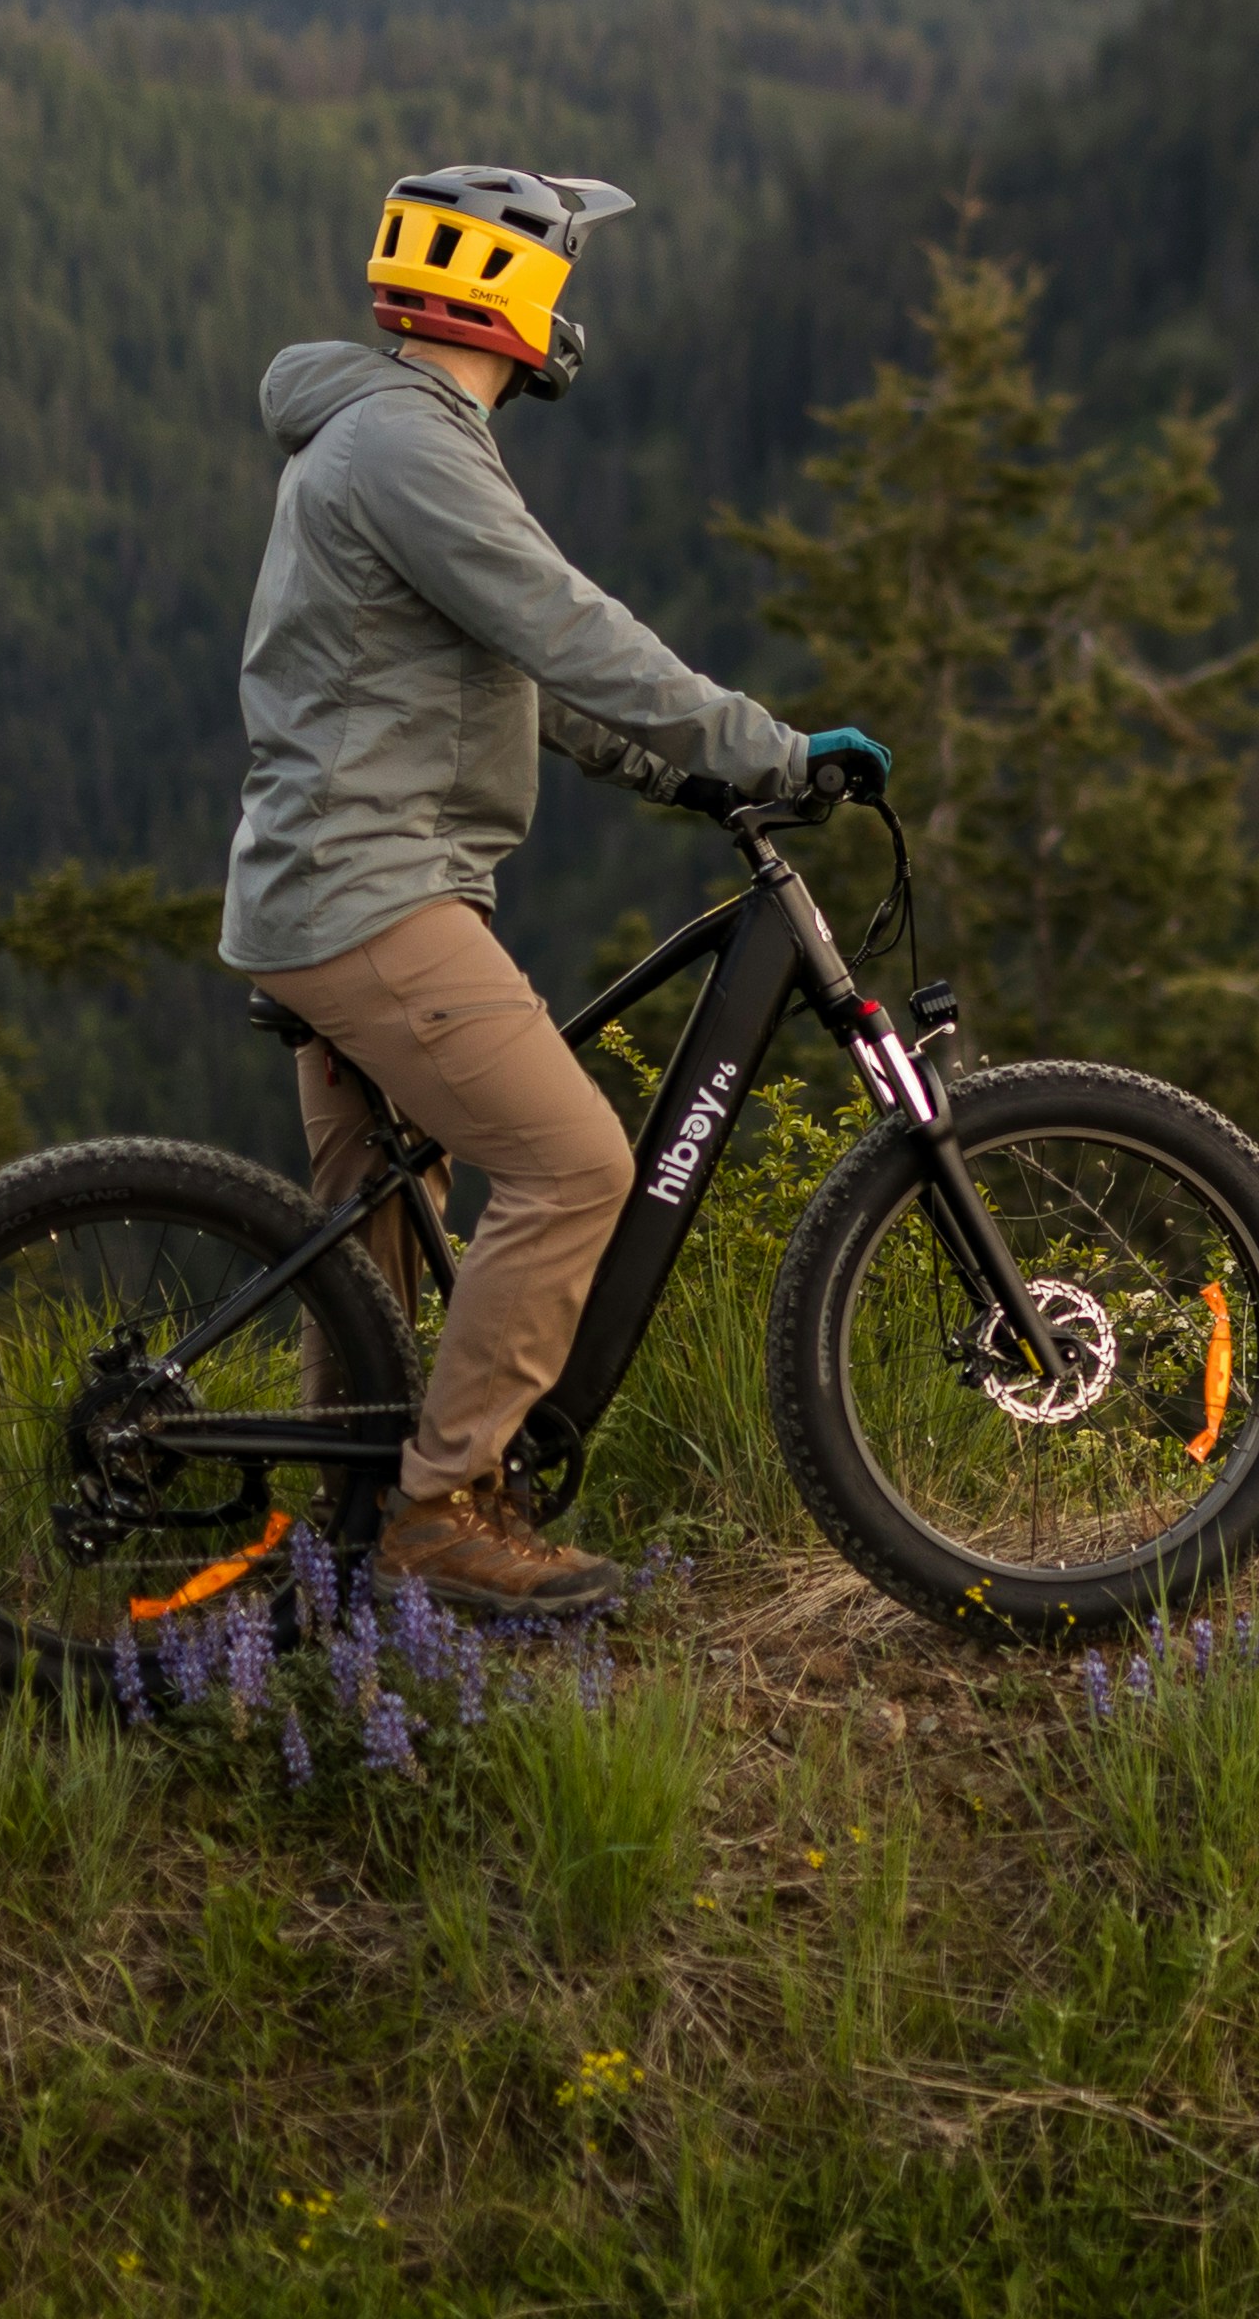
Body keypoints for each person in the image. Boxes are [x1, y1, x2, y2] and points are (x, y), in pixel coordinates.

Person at [218, 163, 889, 1613]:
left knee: (381, 1243)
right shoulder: (408, 446)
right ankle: (446, 1515)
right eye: (563, 277)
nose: (573, 310)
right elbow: (568, 630)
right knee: (575, 1166)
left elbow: (507, 670)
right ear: (510, 295)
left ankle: (354, 1526)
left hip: (335, 887)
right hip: (367, 896)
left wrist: (690, 779)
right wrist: (757, 742)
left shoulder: (390, 437)